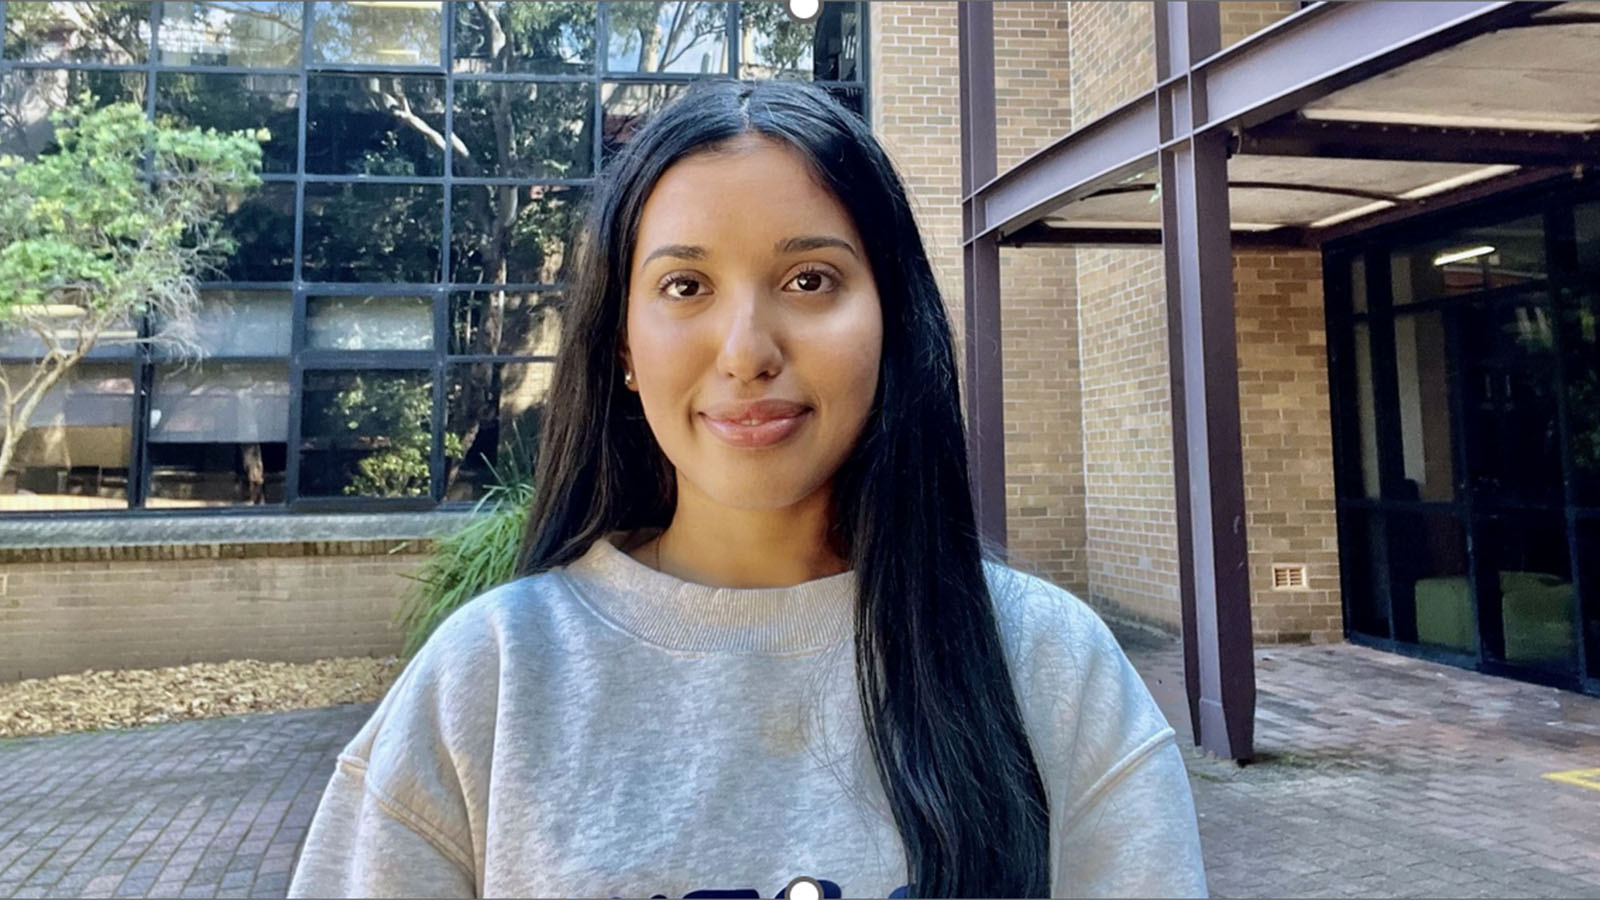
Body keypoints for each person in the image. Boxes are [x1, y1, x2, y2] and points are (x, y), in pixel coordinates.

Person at [287, 80, 1206, 899]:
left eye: (810, 280)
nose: (746, 352)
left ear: (893, 318)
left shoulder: (1049, 667)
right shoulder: (488, 681)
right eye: (685, 285)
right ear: (623, 349)